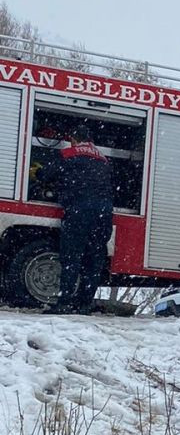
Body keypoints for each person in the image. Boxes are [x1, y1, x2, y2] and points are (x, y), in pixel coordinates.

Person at [50, 126, 115, 313]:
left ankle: (64, 304)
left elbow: (46, 174)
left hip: (79, 211)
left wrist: (37, 173)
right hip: (103, 213)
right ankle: (84, 304)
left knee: (71, 257)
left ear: (73, 139)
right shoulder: (103, 159)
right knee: (94, 260)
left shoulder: (68, 154)